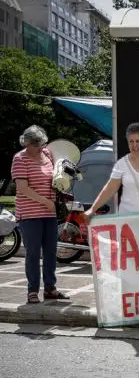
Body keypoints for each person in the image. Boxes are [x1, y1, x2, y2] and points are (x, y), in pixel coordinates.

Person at [11, 125, 69, 304]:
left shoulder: (48, 155)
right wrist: (45, 201)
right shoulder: (20, 159)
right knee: (33, 253)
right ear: (27, 144)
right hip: (29, 214)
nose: (41, 148)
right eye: (37, 145)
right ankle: (32, 291)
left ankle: (50, 288)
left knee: (51, 252)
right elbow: (22, 188)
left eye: (42, 144)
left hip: (49, 213)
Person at [86, 123, 139, 219]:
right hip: (127, 218)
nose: (134, 145)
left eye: (138, 141)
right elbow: (110, 188)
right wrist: (92, 209)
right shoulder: (121, 164)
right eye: (131, 141)